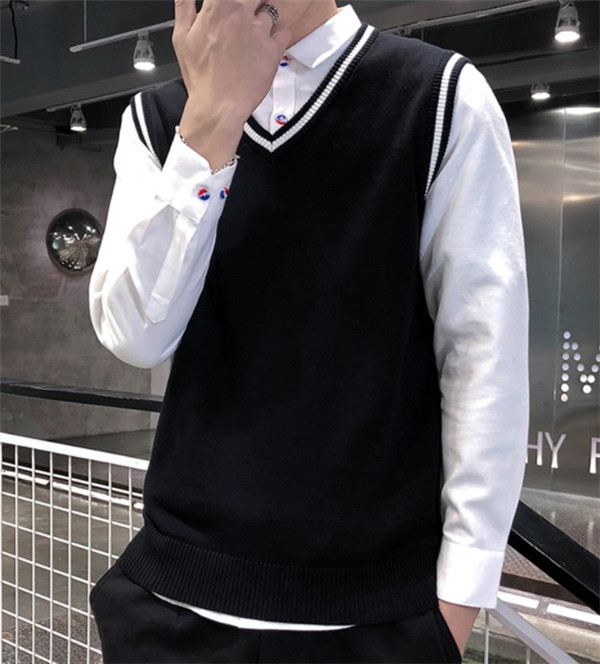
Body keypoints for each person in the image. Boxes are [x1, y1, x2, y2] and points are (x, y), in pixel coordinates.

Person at [87, 0, 529, 662]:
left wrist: (454, 612)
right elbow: (135, 336)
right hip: (170, 600)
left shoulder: (438, 95)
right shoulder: (158, 116)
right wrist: (211, 122)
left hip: (373, 615)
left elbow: (483, 356)